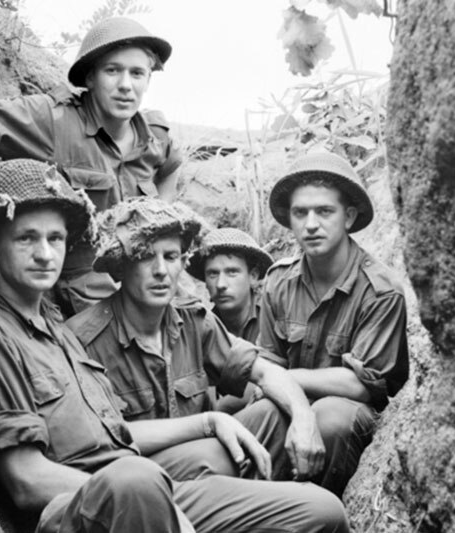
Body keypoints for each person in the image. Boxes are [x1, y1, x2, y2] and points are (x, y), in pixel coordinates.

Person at [0, 159, 349, 533]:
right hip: (89, 505)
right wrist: (160, 499)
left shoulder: (53, 329)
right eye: (27, 238)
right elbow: (27, 482)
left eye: (56, 239)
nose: (45, 254)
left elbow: (116, 435)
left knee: (321, 511)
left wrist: (209, 423)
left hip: (135, 475)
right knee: (137, 479)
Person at [0, 17, 182, 316]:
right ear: (90, 77)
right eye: (112, 71)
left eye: (137, 73)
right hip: (81, 297)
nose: (125, 85)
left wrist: (158, 222)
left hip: (141, 283)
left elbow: (170, 168)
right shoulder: (55, 120)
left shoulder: (154, 135)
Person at [65, 198, 327, 483]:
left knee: (276, 414)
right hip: (141, 483)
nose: (161, 271)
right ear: (120, 267)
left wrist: (304, 417)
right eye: (145, 256)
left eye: (171, 256)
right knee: (217, 459)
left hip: (208, 465)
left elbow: (265, 372)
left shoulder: (193, 319)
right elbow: (98, 438)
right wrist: (206, 424)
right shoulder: (83, 340)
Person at [258, 151, 410, 497]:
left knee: (330, 416)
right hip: (294, 405)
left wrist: (288, 380)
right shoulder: (278, 281)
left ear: (348, 217)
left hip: (354, 420)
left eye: (324, 211)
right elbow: (266, 365)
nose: (311, 224)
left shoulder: (380, 290)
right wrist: (287, 394)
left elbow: (361, 387)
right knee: (256, 411)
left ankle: (318, 514)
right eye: (300, 213)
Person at [186, 227, 273, 413]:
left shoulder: (273, 316)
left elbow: (278, 376)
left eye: (232, 272)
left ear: (253, 276)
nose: (221, 284)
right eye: (213, 274)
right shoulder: (200, 328)